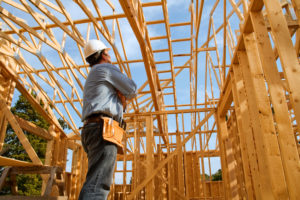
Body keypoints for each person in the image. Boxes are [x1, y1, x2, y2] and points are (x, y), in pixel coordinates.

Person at [79, 39, 137, 200]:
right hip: (102, 130)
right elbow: (132, 89)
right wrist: (123, 94)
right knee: (98, 185)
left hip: (92, 129)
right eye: (107, 52)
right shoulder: (106, 68)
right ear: (102, 55)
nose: (109, 54)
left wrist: (120, 97)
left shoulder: (94, 73)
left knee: (93, 182)